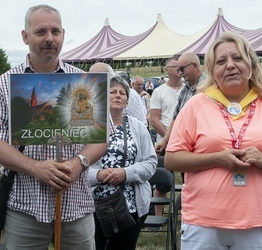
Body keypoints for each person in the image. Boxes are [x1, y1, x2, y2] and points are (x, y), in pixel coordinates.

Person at [0, 5, 108, 249]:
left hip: (76, 205)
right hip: (25, 208)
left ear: (63, 34)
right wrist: (35, 168)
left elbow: (101, 138)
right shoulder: (4, 85)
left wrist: (77, 163)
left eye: (55, 31)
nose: (49, 38)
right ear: (25, 36)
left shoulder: (85, 81)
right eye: (40, 32)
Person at [165, 32, 262, 250]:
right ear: (212, 70)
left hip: (255, 220)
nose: (230, 65)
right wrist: (218, 159)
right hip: (203, 221)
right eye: (221, 61)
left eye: (237, 58)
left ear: (251, 64)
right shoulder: (196, 105)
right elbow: (172, 160)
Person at [88, 75, 156, 250]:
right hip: (93, 207)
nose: (118, 95)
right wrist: (98, 175)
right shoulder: (89, 127)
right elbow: (76, 165)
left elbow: (150, 164)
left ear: (127, 102)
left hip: (130, 207)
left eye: (122, 93)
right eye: (112, 92)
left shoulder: (138, 127)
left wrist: (126, 173)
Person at [149, 56, 183, 217]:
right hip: (163, 142)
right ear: (167, 69)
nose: (179, 70)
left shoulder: (188, 90)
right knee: (162, 183)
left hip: (186, 143)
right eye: (175, 66)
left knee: (190, 181)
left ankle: (187, 216)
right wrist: (168, 138)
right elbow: (154, 119)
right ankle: (158, 216)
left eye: (180, 67)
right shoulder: (159, 91)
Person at [155, 52, 205, 157]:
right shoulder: (185, 89)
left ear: (194, 66)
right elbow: (176, 117)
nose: (180, 73)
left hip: (203, 148)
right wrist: (164, 142)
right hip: (187, 148)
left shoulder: (209, 86)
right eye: (178, 70)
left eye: (182, 69)